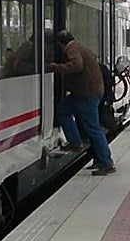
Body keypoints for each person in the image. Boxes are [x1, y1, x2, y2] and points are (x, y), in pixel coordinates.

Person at [47, 29, 115, 175]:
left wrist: (55, 67)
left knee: (93, 129)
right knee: (63, 111)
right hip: (85, 92)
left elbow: (77, 65)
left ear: (60, 43)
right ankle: (76, 144)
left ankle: (106, 163)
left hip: (86, 94)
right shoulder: (80, 46)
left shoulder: (72, 49)